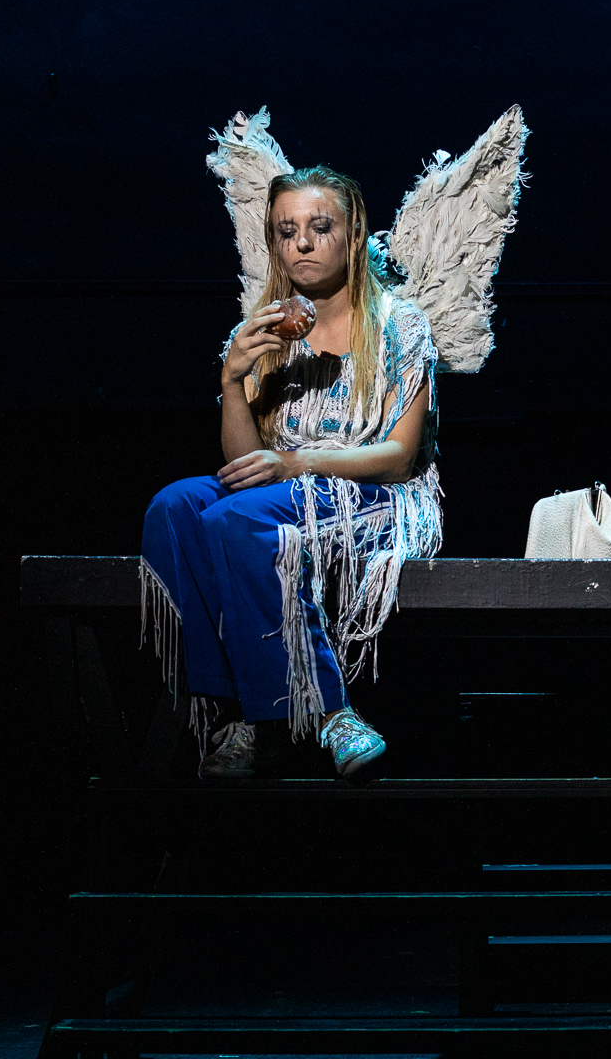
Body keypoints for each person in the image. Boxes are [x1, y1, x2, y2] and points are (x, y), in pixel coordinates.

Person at [142, 165, 443, 782]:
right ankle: (235, 711)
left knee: (236, 519)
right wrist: (232, 381)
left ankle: (329, 710)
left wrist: (297, 462)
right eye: (286, 231)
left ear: (354, 235)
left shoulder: (399, 324)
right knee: (174, 507)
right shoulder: (265, 331)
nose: (302, 242)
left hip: (371, 492)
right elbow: (243, 462)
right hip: (280, 489)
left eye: (319, 227)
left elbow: (398, 457)